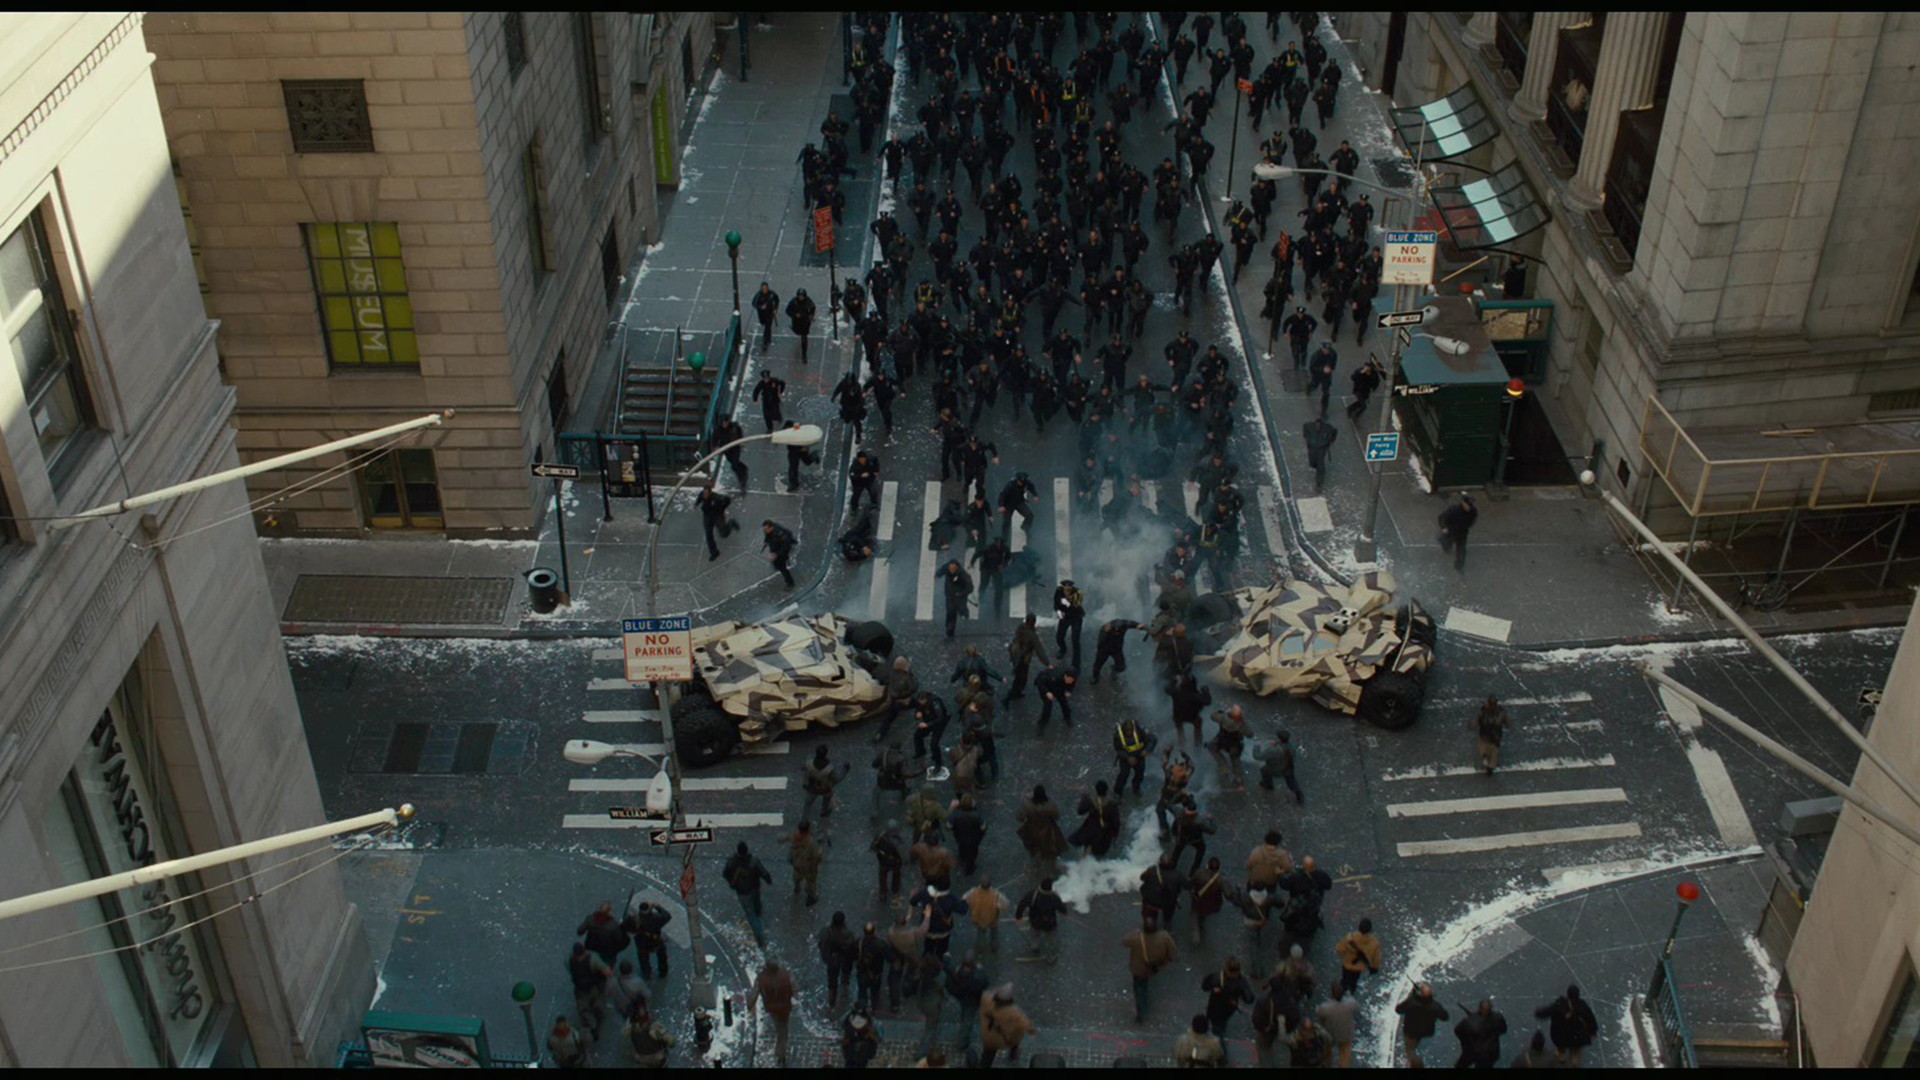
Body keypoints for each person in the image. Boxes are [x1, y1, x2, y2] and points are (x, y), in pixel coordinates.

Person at [1121, 913, 1178, 1022]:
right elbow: (1173, 951)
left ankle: (1142, 1009)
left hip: (1139, 968)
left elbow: (1124, 941)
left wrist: (1135, 932)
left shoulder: (1137, 937)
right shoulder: (1164, 937)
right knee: (1145, 982)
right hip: (1155, 966)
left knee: (1139, 987)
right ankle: (1144, 1002)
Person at [724, 841, 773, 947]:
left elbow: (725, 874)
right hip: (754, 890)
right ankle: (760, 932)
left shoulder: (732, 862)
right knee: (756, 910)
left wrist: (732, 883)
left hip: (741, 892)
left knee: (750, 913)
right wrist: (768, 880)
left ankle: (759, 935)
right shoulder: (753, 862)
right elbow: (764, 873)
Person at [1534, 984, 1598, 1065]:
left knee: (1560, 1045)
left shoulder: (1559, 1004)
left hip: (1559, 1036)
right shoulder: (1582, 1005)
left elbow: (1546, 1012)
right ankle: (1575, 1062)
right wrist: (1593, 1032)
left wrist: (1538, 1013)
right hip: (1576, 1037)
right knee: (1576, 1049)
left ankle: (1561, 1056)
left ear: (1568, 994)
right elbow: (1590, 1019)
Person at [748, 960, 796, 1067]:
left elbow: (753, 995)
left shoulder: (761, 978)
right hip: (784, 1009)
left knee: (779, 1027)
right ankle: (780, 1055)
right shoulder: (786, 976)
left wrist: (750, 1006)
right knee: (783, 1032)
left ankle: (780, 1052)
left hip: (771, 1009)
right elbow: (795, 990)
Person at [979, 984, 1036, 1068]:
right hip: (1006, 1035)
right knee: (1014, 1040)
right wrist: (1031, 1031)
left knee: (988, 1055)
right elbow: (1024, 1022)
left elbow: (985, 995)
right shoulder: (1012, 1011)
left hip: (991, 1035)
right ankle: (1012, 1055)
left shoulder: (988, 1003)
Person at [1395, 982, 1451, 1068]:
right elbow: (1445, 1017)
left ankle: (1416, 1064)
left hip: (1411, 1031)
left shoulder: (1412, 1003)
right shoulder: (1435, 1006)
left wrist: (1411, 997)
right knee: (1416, 1042)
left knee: (1410, 1050)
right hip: (1426, 1031)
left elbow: (1398, 1010)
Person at [1014, 876, 1068, 964]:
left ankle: (1035, 947)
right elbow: (1062, 908)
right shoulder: (1054, 898)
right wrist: (1064, 912)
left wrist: (1018, 916)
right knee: (1051, 940)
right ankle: (1051, 956)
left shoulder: (1033, 895)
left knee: (1035, 934)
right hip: (1049, 923)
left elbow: (1022, 904)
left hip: (1035, 921)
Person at [566, 943, 610, 1040]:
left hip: (580, 990)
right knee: (597, 1003)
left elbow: (570, 971)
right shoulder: (592, 958)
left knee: (584, 1010)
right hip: (593, 987)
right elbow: (607, 971)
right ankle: (599, 1016)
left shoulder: (569, 960)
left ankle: (593, 1026)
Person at [1071, 779, 1122, 858]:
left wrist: (1084, 799)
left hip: (1090, 831)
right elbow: (1116, 823)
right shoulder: (1112, 805)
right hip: (1104, 833)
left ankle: (1083, 861)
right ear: (1106, 790)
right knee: (1099, 854)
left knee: (1088, 849)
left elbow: (1080, 811)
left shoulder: (1091, 802)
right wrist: (1115, 836)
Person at [1005, 612, 1049, 702]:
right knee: (1022, 677)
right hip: (1024, 658)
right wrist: (1047, 663)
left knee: (1018, 674)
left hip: (1015, 654)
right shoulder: (1032, 635)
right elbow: (1039, 650)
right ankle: (1015, 693)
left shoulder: (1020, 627)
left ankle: (1015, 691)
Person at [801, 744, 850, 822]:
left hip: (812, 787)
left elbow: (805, 771)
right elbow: (837, 779)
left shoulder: (809, 764)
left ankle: (804, 821)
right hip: (825, 789)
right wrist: (845, 770)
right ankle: (824, 811)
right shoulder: (829, 769)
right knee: (826, 799)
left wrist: (805, 784)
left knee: (808, 804)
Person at [819, 910, 859, 1009]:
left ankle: (832, 1004)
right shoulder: (848, 934)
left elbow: (821, 944)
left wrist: (826, 957)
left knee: (832, 984)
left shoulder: (826, 932)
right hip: (846, 958)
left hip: (832, 960)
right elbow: (853, 946)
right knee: (846, 974)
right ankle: (845, 988)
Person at [1454, 999, 1509, 1069]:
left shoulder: (1468, 1022)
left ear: (1480, 1008)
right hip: (1490, 1052)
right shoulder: (1498, 1017)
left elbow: (1458, 1031)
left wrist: (1466, 1042)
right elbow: (1503, 1030)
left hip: (1472, 1051)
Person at [625, 901, 672, 981]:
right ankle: (663, 972)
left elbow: (628, 928)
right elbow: (667, 916)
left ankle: (646, 974)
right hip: (656, 942)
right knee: (662, 957)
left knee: (643, 960)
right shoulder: (657, 918)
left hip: (642, 944)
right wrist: (658, 907)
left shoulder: (635, 920)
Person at [1113, 714, 1158, 796]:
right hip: (1126, 758)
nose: (1129, 733)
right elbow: (1118, 749)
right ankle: (1117, 792)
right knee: (1123, 774)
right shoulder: (1118, 736)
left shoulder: (1139, 730)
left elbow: (1153, 739)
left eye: (1130, 731)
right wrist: (1127, 757)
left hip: (1139, 756)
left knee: (1140, 774)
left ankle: (1136, 788)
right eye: (1127, 731)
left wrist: (1147, 750)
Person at [577, 900, 631, 969]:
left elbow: (580, 931)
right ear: (609, 912)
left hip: (591, 946)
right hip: (607, 950)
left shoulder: (590, 919)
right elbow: (619, 939)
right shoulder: (613, 925)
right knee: (608, 965)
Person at [1335, 917, 1382, 995]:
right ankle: (1350, 995)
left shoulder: (1350, 937)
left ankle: (1340, 994)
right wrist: (1375, 967)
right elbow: (1376, 960)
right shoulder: (1374, 943)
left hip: (1346, 965)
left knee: (1344, 981)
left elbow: (1339, 949)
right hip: (1358, 969)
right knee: (1353, 983)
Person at [1256, 729, 1305, 804]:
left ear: (1279, 738)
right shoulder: (1291, 747)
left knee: (1264, 769)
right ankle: (1299, 794)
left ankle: (1268, 784)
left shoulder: (1273, 750)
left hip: (1277, 770)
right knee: (1292, 782)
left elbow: (1258, 757)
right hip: (1288, 768)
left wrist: (1256, 746)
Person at [1318, 982, 1360, 1067]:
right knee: (1345, 1053)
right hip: (1346, 1033)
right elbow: (1357, 1010)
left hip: (1330, 1033)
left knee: (1327, 1051)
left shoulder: (1325, 1008)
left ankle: (1327, 1065)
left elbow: (1319, 1015)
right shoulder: (1351, 1003)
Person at [785, 821, 824, 907]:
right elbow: (817, 856)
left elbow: (787, 839)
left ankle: (797, 886)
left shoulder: (795, 836)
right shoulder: (811, 842)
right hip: (807, 866)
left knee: (797, 875)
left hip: (797, 863)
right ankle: (811, 897)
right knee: (811, 881)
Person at [696, 483, 739, 561]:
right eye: (704, 493)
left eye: (706, 494)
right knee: (708, 534)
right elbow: (699, 498)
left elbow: (727, 500)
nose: (705, 495)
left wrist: (722, 509)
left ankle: (731, 523)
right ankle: (714, 552)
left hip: (717, 516)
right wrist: (696, 504)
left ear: (710, 493)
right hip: (707, 516)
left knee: (724, 533)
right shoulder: (702, 495)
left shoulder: (717, 498)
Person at [1438, 492, 1478, 573]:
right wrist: (1444, 527)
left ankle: (1459, 566)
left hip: (1462, 533)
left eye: (1469, 506)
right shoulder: (1454, 510)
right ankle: (1446, 546)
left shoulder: (1473, 512)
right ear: (1463, 504)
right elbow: (1441, 517)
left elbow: (1471, 522)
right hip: (1451, 531)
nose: (1468, 507)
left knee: (1461, 550)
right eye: (1467, 505)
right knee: (1446, 542)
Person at [1051, 579, 1086, 667]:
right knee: (1059, 636)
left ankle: (1076, 662)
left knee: (1075, 640)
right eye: (1065, 590)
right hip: (1065, 617)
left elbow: (1077, 608)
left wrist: (1068, 604)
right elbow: (1056, 603)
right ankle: (1063, 649)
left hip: (1076, 617)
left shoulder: (1078, 593)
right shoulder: (1059, 591)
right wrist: (1058, 611)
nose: (1067, 592)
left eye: (1069, 590)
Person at [1475, 696, 1510, 775]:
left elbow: (1475, 722)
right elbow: (1507, 724)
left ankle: (1485, 757)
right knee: (1494, 752)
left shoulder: (1483, 711)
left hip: (1485, 735)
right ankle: (1490, 766)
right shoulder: (1500, 712)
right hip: (1495, 736)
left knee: (1484, 747)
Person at [939, 558, 974, 638]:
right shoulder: (947, 569)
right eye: (950, 568)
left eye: (953, 569)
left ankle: (964, 615)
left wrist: (961, 593)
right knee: (950, 612)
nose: (951, 570)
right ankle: (949, 631)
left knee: (959, 609)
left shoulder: (964, 575)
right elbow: (942, 570)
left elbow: (970, 588)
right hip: (949, 596)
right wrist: (937, 574)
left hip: (959, 597)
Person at [1034, 664, 1076, 730]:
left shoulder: (1072, 678)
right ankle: (1042, 723)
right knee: (1048, 705)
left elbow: (1072, 684)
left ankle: (1067, 717)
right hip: (1047, 687)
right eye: (1069, 680)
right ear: (1065, 676)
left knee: (1064, 703)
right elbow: (1040, 683)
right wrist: (1047, 692)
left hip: (1059, 688)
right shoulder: (1053, 676)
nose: (1070, 682)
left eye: (1072, 680)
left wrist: (1069, 691)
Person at [1303, 415, 1337, 492]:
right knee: (1312, 463)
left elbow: (1334, 431)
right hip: (1312, 447)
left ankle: (1319, 481)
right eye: (1316, 426)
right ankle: (1317, 467)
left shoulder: (1327, 428)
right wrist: (1306, 436)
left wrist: (1331, 440)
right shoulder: (1309, 426)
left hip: (1322, 448)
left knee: (1320, 463)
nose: (1317, 427)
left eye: (1319, 426)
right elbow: (1305, 427)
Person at [762, 519, 797, 588]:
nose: (765, 531)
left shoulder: (780, 534)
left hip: (781, 550)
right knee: (777, 564)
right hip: (775, 548)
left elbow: (786, 546)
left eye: (766, 529)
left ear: (771, 527)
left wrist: (776, 554)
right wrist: (766, 541)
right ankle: (780, 564)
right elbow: (767, 536)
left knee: (782, 568)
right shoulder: (769, 531)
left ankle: (790, 583)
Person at [786, 288, 817, 362]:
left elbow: (813, 307)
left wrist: (811, 315)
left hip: (805, 321)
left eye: (802, 296)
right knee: (797, 331)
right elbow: (788, 311)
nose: (801, 298)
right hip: (796, 321)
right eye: (800, 296)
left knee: (804, 336)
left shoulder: (808, 301)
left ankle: (804, 354)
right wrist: (795, 314)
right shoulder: (794, 302)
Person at [751, 282, 780, 348]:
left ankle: (766, 339)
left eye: (766, 288)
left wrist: (776, 308)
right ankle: (767, 337)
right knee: (763, 323)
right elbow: (754, 303)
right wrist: (761, 307)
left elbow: (777, 299)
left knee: (768, 326)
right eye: (763, 289)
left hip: (769, 312)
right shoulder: (758, 295)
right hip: (762, 313)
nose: (765, 290)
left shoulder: (771, 294)